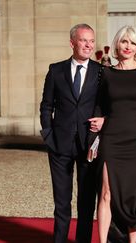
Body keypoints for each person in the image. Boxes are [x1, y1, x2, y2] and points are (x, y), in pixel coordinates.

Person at [89, 25, 136, 243]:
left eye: (132, 43)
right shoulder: (107, 72)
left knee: (134, 196)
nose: (128, 46)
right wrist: (94, 139)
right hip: (111, 140)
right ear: (116, 45)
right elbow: (99, 107)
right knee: (106, 193)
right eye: (124, 42)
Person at [39, 23, 100, 243]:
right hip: (59, 145)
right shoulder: (56, 70)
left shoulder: (100, 71)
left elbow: (108, 105)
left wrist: (103, 122)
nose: (89, 45)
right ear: (72, 42)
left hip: (89, 146)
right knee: (62, 203)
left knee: (86, 203)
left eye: (92, 41)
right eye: (84, 40)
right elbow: (46, 105)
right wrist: (48, 135)